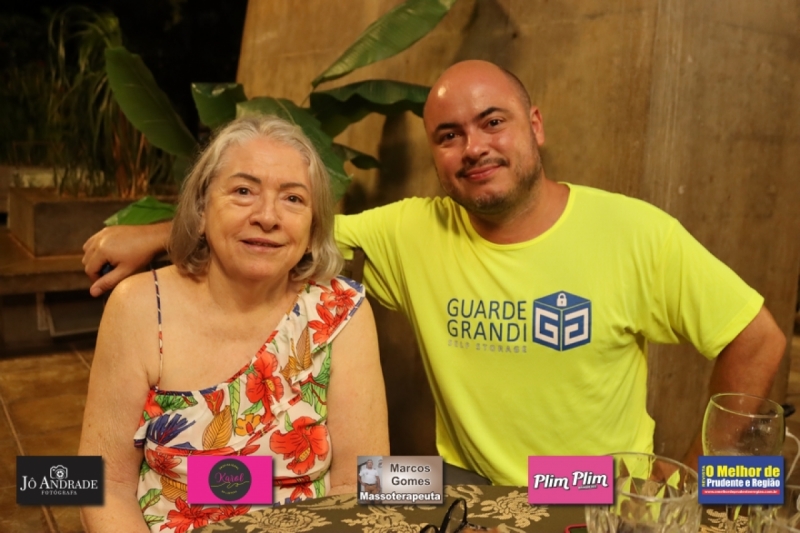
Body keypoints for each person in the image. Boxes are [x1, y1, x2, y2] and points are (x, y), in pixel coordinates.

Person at [81, 60, 785, 487]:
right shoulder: (414, 229)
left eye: (493, 122)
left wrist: (697, 476)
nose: (473, 147)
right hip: (463, 492)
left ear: (536, 125)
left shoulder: (634, 233)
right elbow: (279, 229)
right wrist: (159, 234)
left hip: (592, 493)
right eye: (449, 136)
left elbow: (759, 340)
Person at [78, 115, 389, 533]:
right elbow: (102, 483)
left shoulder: (341, 313)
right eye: (243, 191)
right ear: (200, 211)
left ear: (313, 226)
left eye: (293, 198)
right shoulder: (138, 307)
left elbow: (365, 484)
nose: (268, 216)